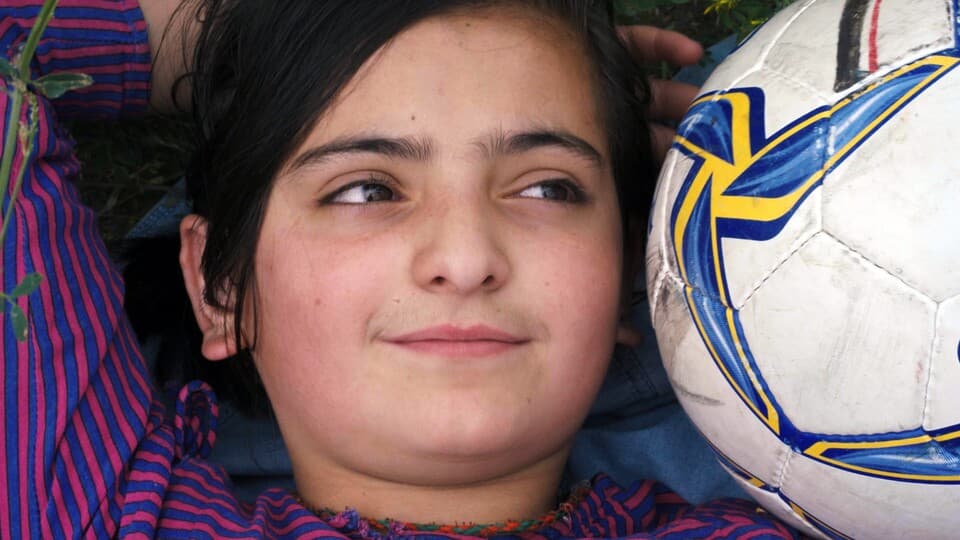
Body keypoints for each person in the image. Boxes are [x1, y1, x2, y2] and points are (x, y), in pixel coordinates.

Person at [0, 0, 797, 537]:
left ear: (629, 270)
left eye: (548, 188)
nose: (465, 260)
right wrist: (242, 38)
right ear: (221, 287)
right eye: (367, 190)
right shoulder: (96, 511)